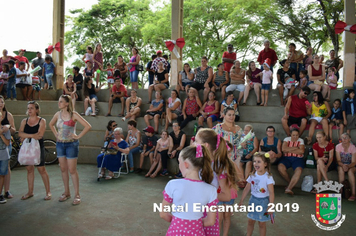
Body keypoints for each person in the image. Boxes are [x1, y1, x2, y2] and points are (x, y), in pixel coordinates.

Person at [160, 145, 217, 235]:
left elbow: (163, 214)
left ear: (186, 164)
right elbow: (210, 221)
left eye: (179, 162)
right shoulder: (211, 190)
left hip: (175, 232)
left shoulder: (173, 184)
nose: (179, 165)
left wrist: (178, 221)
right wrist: (194, 223)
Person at [49, 95, 92, 205]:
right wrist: (56, 135)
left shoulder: (74, 115)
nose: (59, 103)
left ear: (67, 103)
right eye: (59, 101)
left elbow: (88, 126)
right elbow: (51, 124)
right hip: (60, 144)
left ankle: (77, 195)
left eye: (61, 101)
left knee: (72, 170)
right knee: (63, 169)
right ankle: (66, 192)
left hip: (71, 145)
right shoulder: (57, 114)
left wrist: (78, 136)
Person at [195, 128, 238, 236]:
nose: (194, 144)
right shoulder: (199, 162)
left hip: (208, 211)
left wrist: (206, 196)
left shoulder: (217, 166)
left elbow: (226, 196)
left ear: (205, 145)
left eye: (196, 141)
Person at [18, 101, 51, 200]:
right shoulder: (24, 121)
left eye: (31, 108)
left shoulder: (42, 121)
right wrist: (32, 135)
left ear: (37, 110)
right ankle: (30, 192)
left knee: (41, 169)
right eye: (28, 108)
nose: (29, 110)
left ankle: (48, 192)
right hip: (27, 148)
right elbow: (20, 133)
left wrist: (25, 135)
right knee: (29, 170)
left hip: (38, 147)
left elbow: (40, 135)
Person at [238, 152, 275, 236]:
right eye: (254, 161)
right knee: (250, 221)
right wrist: (241, 200)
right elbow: (247, 188)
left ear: (265, 164)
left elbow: (271, 192)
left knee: (262, 223)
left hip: (264, 202)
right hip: (253, 201)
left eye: (259, 161)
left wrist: (271, 206)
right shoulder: (252, 175)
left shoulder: (268, 177)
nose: (255, 163)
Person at [212, 107, 244, 183]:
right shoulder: (218, 128)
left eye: (233, 115)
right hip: (221, 157)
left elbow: (243, 141)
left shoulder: (238, 129)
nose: (232, 117)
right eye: (229, 115)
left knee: (232, 183)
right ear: (224, 115)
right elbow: (211, 141)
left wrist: (243, 144)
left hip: (235, 157)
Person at [278, 128, 305, 195]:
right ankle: (290, 182)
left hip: (298, 159)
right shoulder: (286, 139)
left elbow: (301, 151)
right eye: (293, 135)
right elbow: (284, 149)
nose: (295, 137)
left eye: (296, 135)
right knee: (280, 167)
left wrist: (289, 149)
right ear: (290, 135)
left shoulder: (301, 140)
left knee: (299, 170)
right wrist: (296, 148)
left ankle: (289, 188)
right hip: (286, 158)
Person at [0, 96, 15, 199]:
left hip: (6, 144)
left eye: (1, 102)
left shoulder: (8, 115)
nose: (0, 104)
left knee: (6, 168)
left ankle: (7, 190)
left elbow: (14, 129)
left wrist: (8, 127)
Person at [335, 133, 356, 201]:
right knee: (341, 170)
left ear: (349, 139)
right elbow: (338, 160)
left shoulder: (353, 147)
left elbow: (354, 162)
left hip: (351, 165)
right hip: (341, 164)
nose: (344, 139)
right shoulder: (338, 146)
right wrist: (343, 165)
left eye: (346, 138)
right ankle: (341, 192)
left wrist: (348, 166)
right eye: (342, 138)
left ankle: (353, 193)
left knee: (350, 172)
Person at [0, 111, 11, 204]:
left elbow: (7, 143)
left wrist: (0, 134)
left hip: (3, 156)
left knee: (2, 175)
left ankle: (0, 194)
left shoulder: (5, 130)